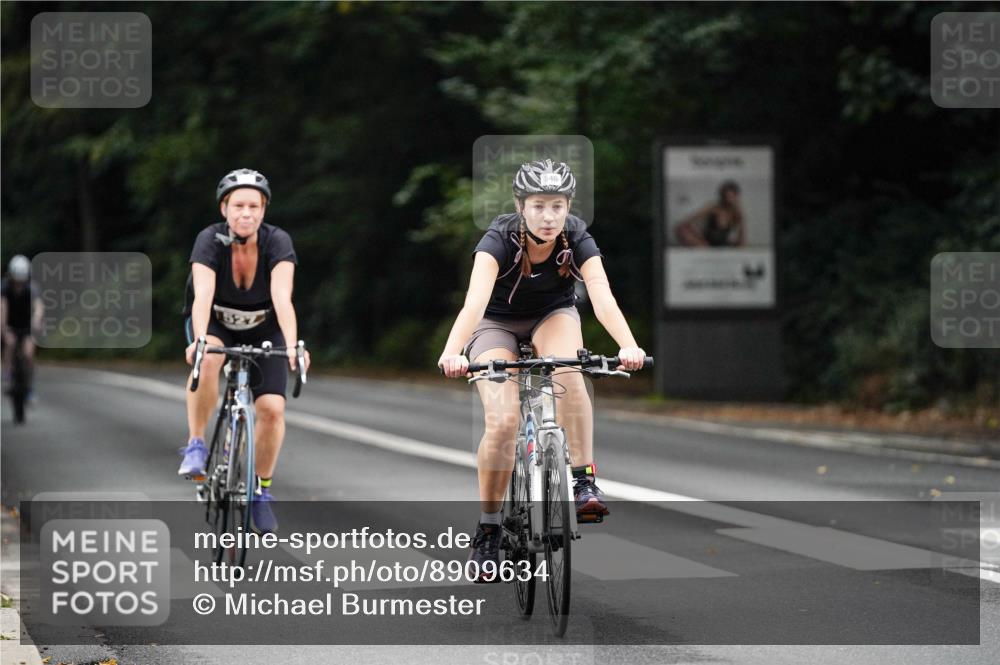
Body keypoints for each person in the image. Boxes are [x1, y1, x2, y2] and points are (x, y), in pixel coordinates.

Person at [438, 159, 646, 577]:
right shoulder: (497, 239)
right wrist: (453, 350)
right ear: (521, 205)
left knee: (572, 373)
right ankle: (490, 528)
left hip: (553, 316)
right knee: (502, 423)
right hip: (495, 322)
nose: (549, 216)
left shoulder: (577, 237)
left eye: (557, 205)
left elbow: (602, 296)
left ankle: (584, 481)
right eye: (538, 206)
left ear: (568, 206)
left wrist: (628, 345)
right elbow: (474, 303)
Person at [178, 168, 310, 534]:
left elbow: (283, 298)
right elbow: (202, 295)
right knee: (209, 360)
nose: (246, 213)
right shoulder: (208, 240)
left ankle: (260, 492)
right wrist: (201, 339)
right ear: (225, 208)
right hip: (215, 324)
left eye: (254, 206)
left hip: (265, 326)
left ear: (264, 210)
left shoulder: (278, 242)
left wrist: (294, 345)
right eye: (238, 205)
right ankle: (196, 444)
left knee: (272, 409)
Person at [1, 255, 43, 393]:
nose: (19, 283)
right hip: (10, 325)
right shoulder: (5, 288)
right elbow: (2, 309)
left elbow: (38, 306)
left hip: (27, 326)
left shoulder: (32, 288)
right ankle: (7, 374)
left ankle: (30, 386)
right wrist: (4, 329)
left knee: (28, 354)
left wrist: (36, 319)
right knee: (10, 343)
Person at [673, 180, 745, 247]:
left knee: (740, 244)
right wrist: (696, 237)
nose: (729, 199)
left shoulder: (736, 212)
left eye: (732, 197)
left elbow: (741, 238)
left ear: (736, 197)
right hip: (706, 244)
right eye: (726, 196)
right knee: (681, 228)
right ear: (722, 196)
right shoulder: (713, 208)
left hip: (723, 245)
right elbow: (686, 222)